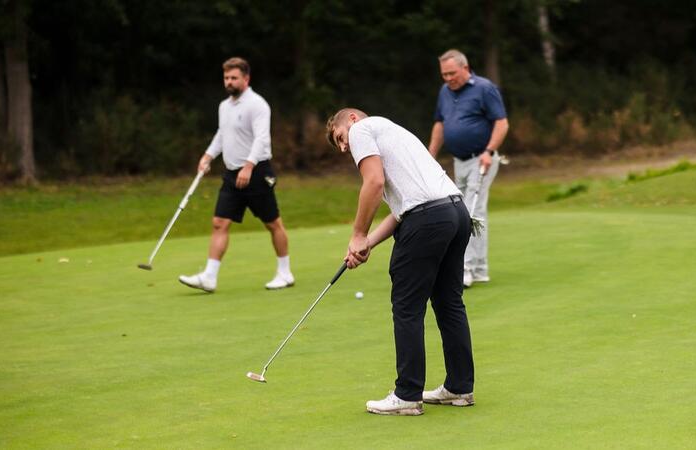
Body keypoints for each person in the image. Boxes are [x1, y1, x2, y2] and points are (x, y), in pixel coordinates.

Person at [326, 108, 475, 416]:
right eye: (339, 144)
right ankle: (459, 388)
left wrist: (357, 233)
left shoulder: (362, 130)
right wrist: (367, 243)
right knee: (449, 303)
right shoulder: (395, 134)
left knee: (407, 306)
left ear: (352, 119)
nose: (343, 147)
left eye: (340, 137)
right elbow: (402, 209)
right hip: (456, 213)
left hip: (430, 218)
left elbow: (374, 183)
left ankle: (407, 394)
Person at [179, 57, 294, 293]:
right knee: (219, 222)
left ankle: (285, 272)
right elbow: (222, 135)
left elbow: (262, 139)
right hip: (232, 175)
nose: (229, 82)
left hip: (257, 172)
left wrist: (249, 166)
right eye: (226, 78)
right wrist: (208, 156)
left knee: (273, 223)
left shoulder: (257, 105)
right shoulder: (224, 106)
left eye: (234, 78)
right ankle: (209, 277)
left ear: (246, 79)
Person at [427, 49, 509, 288]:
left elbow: (502, 123)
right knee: (464, 210)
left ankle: (468, 269)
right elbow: (440, 123)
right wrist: (430, 153)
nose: (448, 78)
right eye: (444, 74)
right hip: (459, 160)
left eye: (452, 73)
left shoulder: (484, 88)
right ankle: (480, 269)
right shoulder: (445, 92)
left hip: (481, 159)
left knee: (472, 212)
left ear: (465, 67)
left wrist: (489, 151)